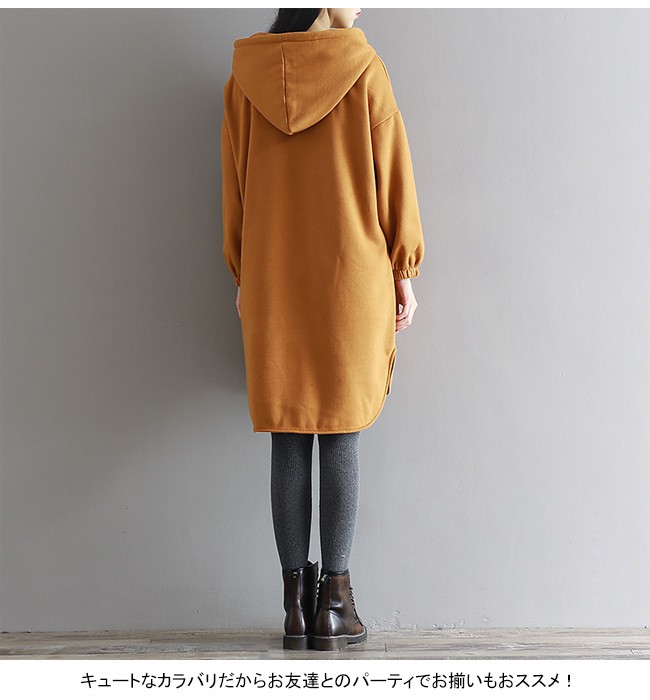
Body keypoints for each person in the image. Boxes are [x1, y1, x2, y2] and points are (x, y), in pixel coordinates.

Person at [221, 8, 425, 651]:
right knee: (340, 430)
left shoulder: (243, 79)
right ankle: (334, 605)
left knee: (288, 430)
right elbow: (393, 175)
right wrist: (404, 270)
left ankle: (294, 608)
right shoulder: (363, 68)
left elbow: (234, 185)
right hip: (350, 277)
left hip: (273, 275)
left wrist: (242, 273)